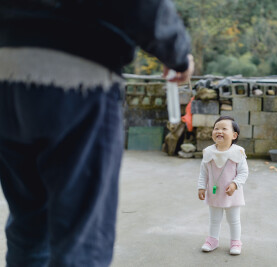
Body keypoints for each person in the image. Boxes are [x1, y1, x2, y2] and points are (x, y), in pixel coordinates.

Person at [0, 0, 193, 266]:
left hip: (7, 70)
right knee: (81, 236)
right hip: (79, 75)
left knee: (28, 224)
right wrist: (178, 55)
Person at [197, 116, 249, 255]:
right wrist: (201, 187)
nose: (219, 131)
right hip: (214, 193)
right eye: (216, 128)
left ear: (234, 135)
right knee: (214, 219)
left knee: (234, 220)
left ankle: (236, 242)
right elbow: (204, 172)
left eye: (224, 129)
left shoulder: (238, 152)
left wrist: (235, 184)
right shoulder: (208, 152)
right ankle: (212, 240)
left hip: (232, 193)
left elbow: (243, 172)